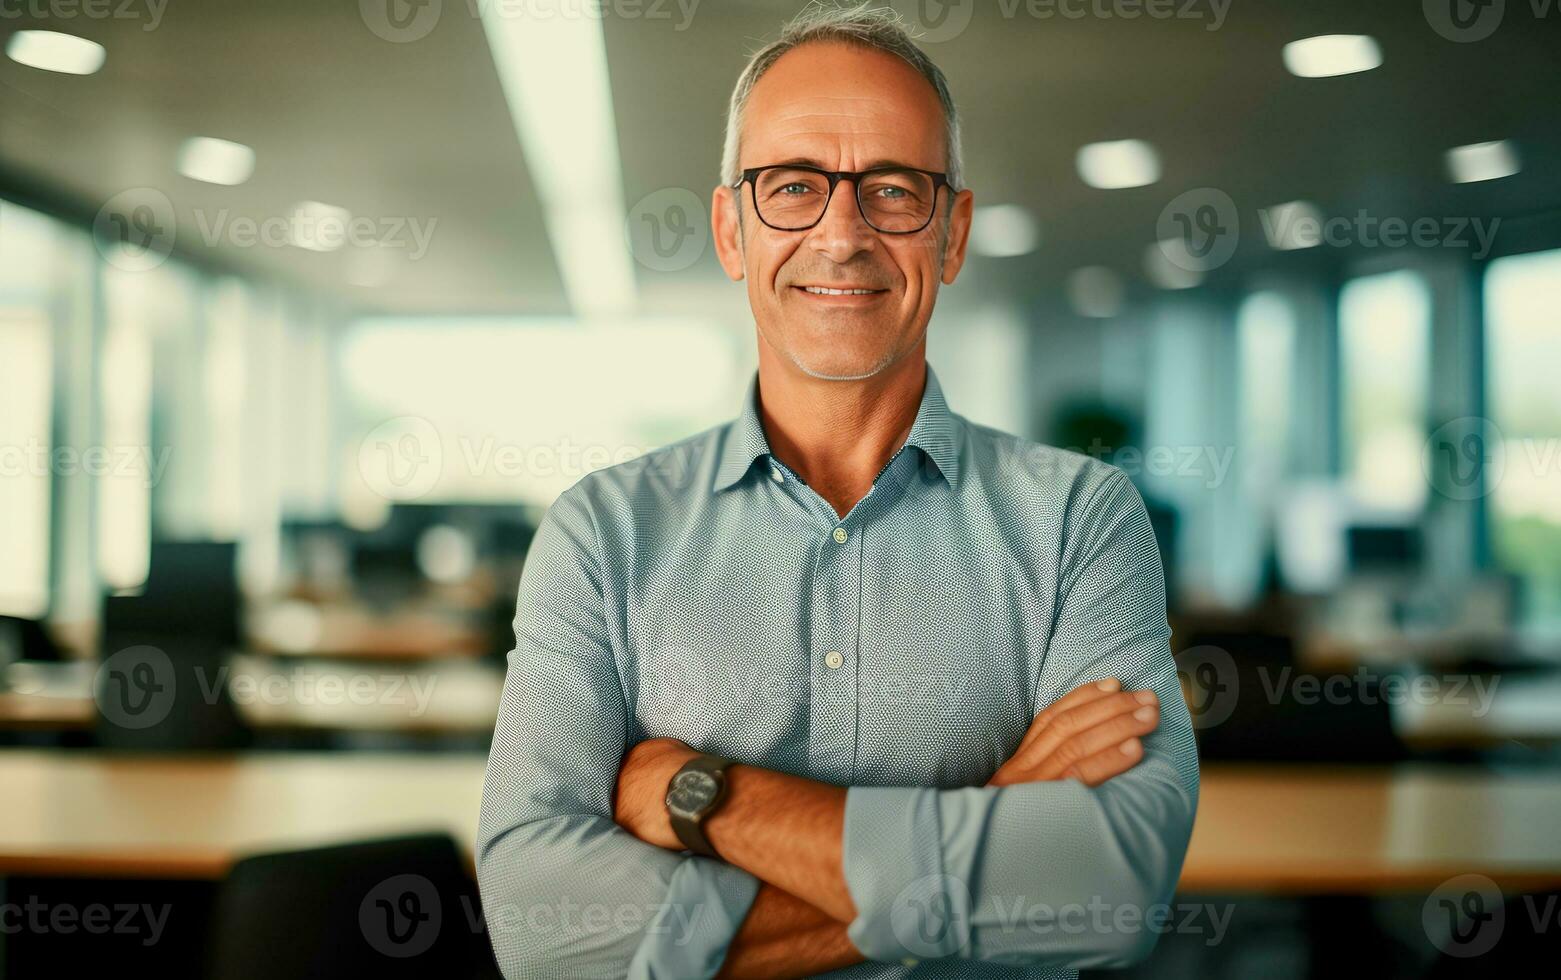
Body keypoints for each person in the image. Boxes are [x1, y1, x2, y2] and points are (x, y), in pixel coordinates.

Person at [477, 4, 1198, 977]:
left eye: (894, 190)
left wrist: (708, 796)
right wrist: (987, 811)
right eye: (793, 187)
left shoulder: (1079, 520)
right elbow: (541, 932)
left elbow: (1107, 893)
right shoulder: (601, 533)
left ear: (950, 233)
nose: (842, 232)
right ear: (732, 230)